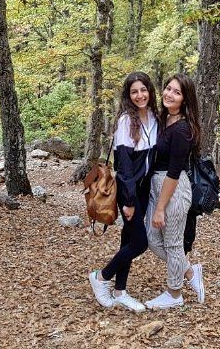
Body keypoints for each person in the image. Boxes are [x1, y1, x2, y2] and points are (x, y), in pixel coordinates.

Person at [88, 71, 159, 312]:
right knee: (139, 243)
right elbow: (124, 168)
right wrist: (128, 202)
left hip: (144, 191)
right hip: (130, 192)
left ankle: (120, 291)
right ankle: (101, 277)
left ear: (150, 91)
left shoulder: (152, 117)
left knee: (128, 239)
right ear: (128, 96)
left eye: (143, 90)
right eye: (134, 92)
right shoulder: (126, 121)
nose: (140, 95)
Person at [145, 73, 205, 309]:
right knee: (151, 239)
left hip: (174, 188)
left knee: (172, 244)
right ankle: (190, 272)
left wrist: (160, 207)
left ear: (185, 99)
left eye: (177, 92)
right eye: (168, 88)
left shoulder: (182, 129)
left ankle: (174, 294)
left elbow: (173, 171)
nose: (169, 94)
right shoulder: (164, 119)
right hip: (156, 186)